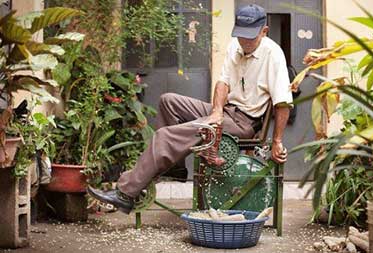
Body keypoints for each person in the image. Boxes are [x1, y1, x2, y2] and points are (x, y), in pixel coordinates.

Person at [87, 4, 293, 214]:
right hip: (227, 111)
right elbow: (222, 83)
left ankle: (125, 194)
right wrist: (216, 112)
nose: (244, 41)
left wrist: (277, 142)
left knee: (165, 136)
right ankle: (175, 167)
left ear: (264, 31)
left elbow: (283, 102)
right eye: (240, 35)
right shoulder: (236, 46)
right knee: (168, 101)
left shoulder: (273, 55)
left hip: (244, 123)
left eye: (249, 37)